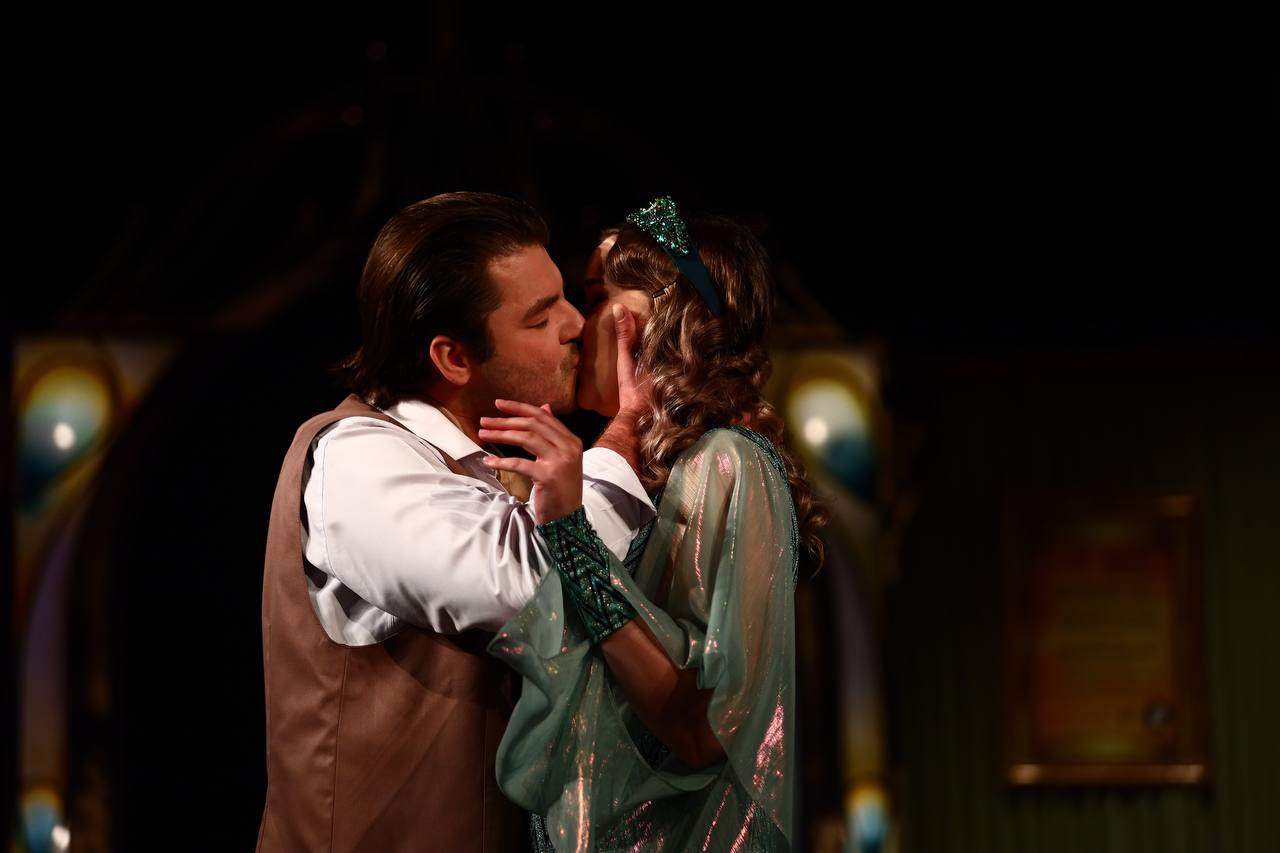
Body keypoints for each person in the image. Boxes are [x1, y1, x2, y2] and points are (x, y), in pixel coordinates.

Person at [257, 191, 655, 852]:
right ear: (453, 358)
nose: (575, 324)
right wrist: (630, 430)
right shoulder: (357, 458)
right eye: (540, 316)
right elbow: (531, 592)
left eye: (567, 297)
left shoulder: (505, 465)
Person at [481, 197, 828, 851]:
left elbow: (702, 725)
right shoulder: (677, 474)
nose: (575, 325)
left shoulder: (726, 461)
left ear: (660, 320)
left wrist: (571, 539)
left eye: (594, 297)